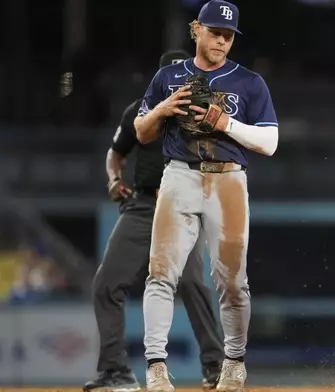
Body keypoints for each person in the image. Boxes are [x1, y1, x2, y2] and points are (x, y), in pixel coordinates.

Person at [134, 1, 279, 391]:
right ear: (195, 29)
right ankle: (155, 367)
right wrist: (162, 109)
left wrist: (225, 122)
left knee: (233, 282)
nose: (222, 40)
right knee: (160, 274)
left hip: (228, 181)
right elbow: (142, 132)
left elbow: (270, 142)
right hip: (179, 175)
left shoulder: (249, 82)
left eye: (229, 35)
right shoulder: (168, 77)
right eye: (215, 32)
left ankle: (234, 362)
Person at [83, 50, 226, 392]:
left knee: (191, 283)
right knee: (106, 284)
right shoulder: (140, 111)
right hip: (144, 205)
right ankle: (116, 372)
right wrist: (114, 179)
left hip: (183, 208)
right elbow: (115, 153)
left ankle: (215, 367)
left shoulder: (203, 115)